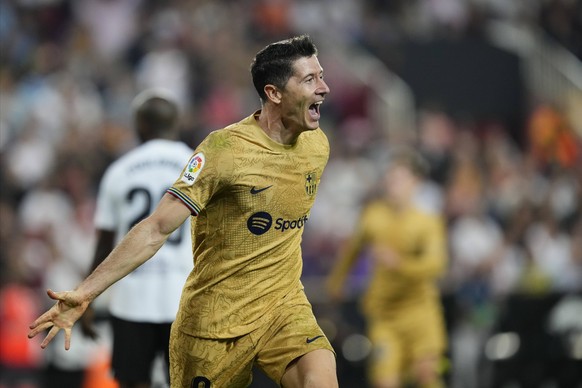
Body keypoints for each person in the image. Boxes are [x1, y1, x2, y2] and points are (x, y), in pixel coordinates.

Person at [28, 34, 338, 388]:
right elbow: (157, 227)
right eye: (310, 79)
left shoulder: (317, 145)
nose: (324, 88)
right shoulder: (223, 150)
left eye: (322, 75)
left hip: (283, 307)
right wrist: (85, 292)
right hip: (214, 323)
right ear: (274, 93)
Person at [80, 90, 194, 388]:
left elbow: (105, 242)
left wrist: (85, 297)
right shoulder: (197, 166)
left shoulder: (120, 171)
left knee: (133, 382)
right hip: (184, 298)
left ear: (140, 124)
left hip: (131, 298)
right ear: (176, 122)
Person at [326, 148, 448, 388]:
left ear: (416, 183)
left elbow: (436, 265)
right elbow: (352, 251)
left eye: (400, 179)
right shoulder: (373, 216)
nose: (393, 184)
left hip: (421, 313)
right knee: (384, 381)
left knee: (428, 375)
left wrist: (400, 264)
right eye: (391, 179)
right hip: (384, 316)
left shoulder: (427, 222)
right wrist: (336, 284)